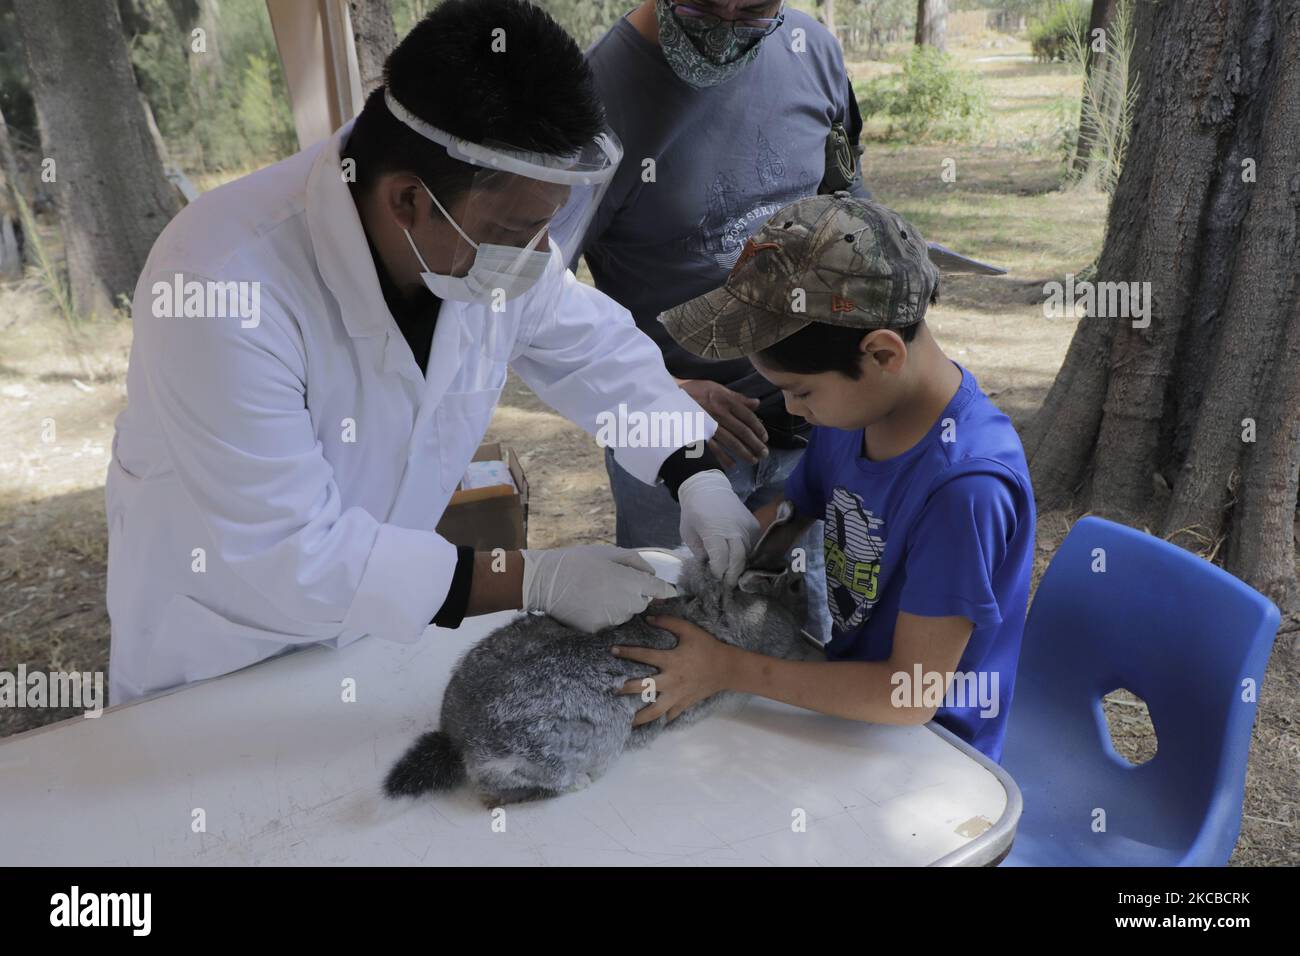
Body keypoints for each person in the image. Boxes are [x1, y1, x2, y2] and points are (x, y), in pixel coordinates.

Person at [105, 0, 759, 705]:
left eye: (547, 228)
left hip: (384, 634)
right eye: (515, 229)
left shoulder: (471, 243)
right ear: (408, 202)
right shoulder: (220, 282)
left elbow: (592, 351)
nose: (538, 255)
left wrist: (694, 472)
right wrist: (535, 579)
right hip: (224, 656)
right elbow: (289, 553)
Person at [614, 193, 1036, 761]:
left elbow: (909, 695)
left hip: (926, 750)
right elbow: (798, 509)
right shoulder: (857, 411)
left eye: (801, 391)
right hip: (839, 693)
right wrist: (732, 558)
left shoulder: (964, 490)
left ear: (882, 354)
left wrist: (728, 668)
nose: (791, 410)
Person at [573, 0, 871, 645]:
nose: (730, 19)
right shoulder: (593, 97)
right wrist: (660, 395)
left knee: (809, 630)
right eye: (706, 3)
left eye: (755, 9)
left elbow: (846, 198)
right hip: (676, 435)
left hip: (813, 425)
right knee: (674, 638)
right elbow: (542, 299)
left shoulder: (811, 51)